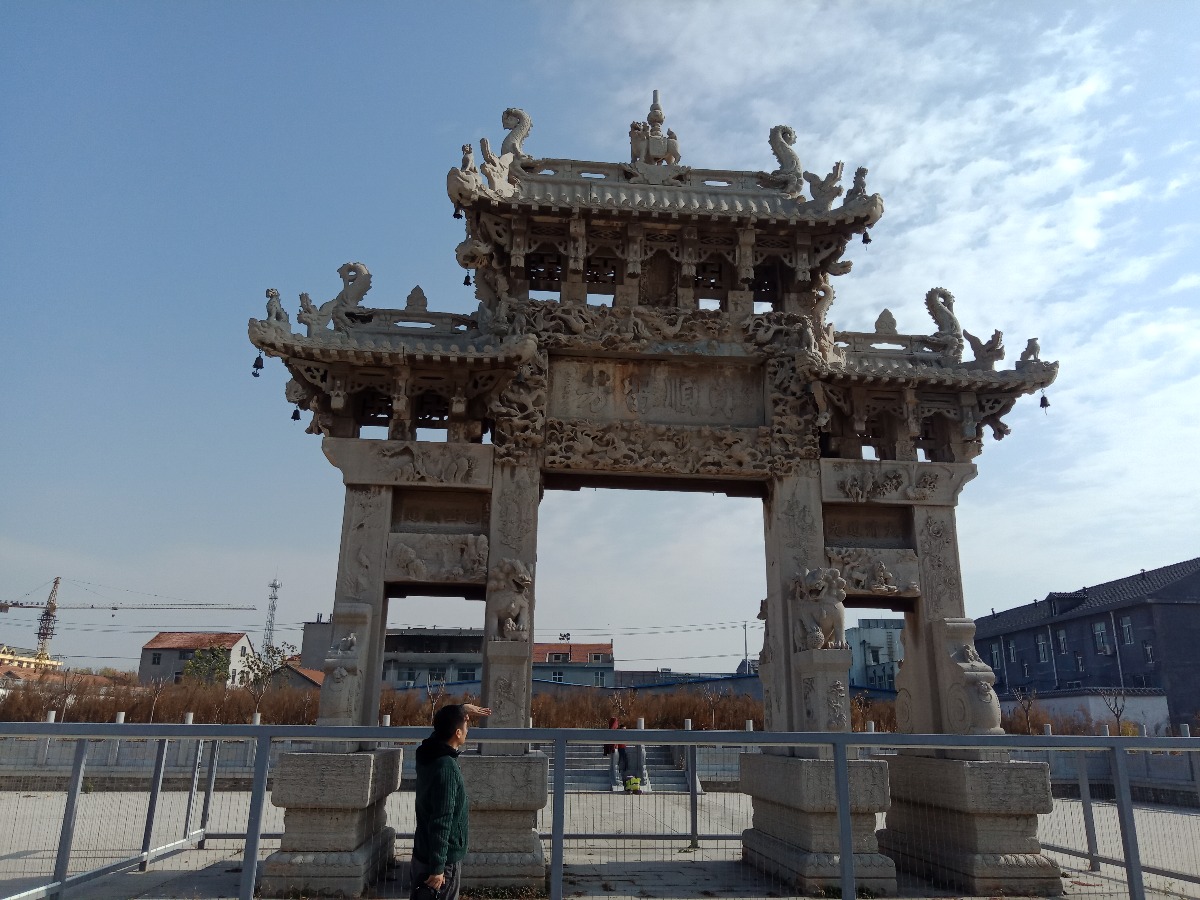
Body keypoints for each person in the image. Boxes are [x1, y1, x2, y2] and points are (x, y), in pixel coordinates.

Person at [411, 702, 490, 900]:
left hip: (423, 850)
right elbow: (442, 819)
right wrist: (438, 868)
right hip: (442, 861)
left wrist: (460, 711)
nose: (468, 730)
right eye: (466, 726)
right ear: (457, 732)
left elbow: (438, 731)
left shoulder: (427, 753)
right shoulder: (446, 767)